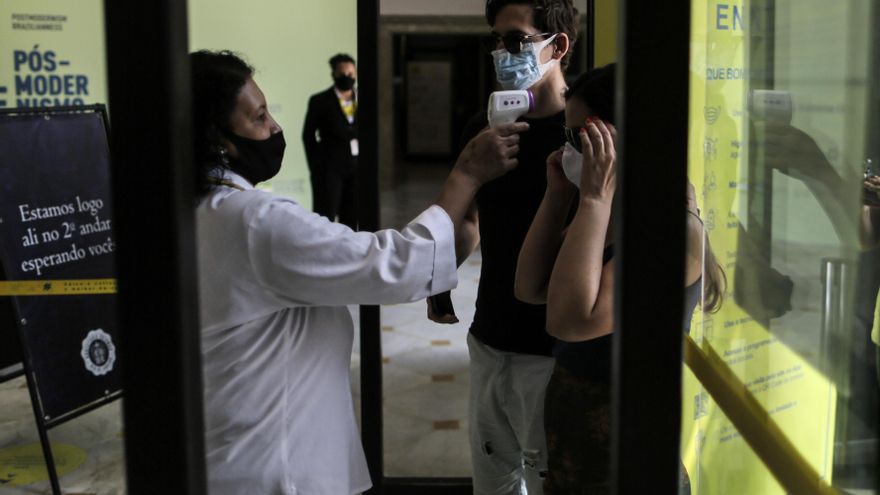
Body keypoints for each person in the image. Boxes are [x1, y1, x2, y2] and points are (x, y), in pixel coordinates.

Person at [190, 50, 527, 494]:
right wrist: (466, 175)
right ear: (218, 139)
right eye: (258, 117)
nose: (274, 128)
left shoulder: (196, 209)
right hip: (275, 464)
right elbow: (392, 263)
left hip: (226, 448)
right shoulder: (255, 221)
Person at [514, 64, 725, 494]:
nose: (568, 147)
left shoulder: (673, 230)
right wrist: (558, 197)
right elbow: (530, 288)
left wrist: (592, 197)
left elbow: (569, 320)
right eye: (567, 135)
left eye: (580, 136)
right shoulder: (606, 210)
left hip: (630, 456)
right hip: (577, 453)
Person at [426, 1, 579, 493]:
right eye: (496, 39)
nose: (500, 52)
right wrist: (437, 276)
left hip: (555, 352)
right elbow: (469, 218)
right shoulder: (486, 126)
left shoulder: (583, 134)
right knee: (493, 482)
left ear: (557, 46)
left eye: (515, 40)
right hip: (490, 337)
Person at [302, 53, 359, 228]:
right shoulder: (320, 101)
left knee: (352, 214)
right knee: (325, 215)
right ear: (333, 74)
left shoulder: (364, 100)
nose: (347, 77)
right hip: (329, 167)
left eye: (351, 73)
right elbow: (308, 135)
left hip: (357, 168)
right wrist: (316, 164)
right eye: (342, 73)